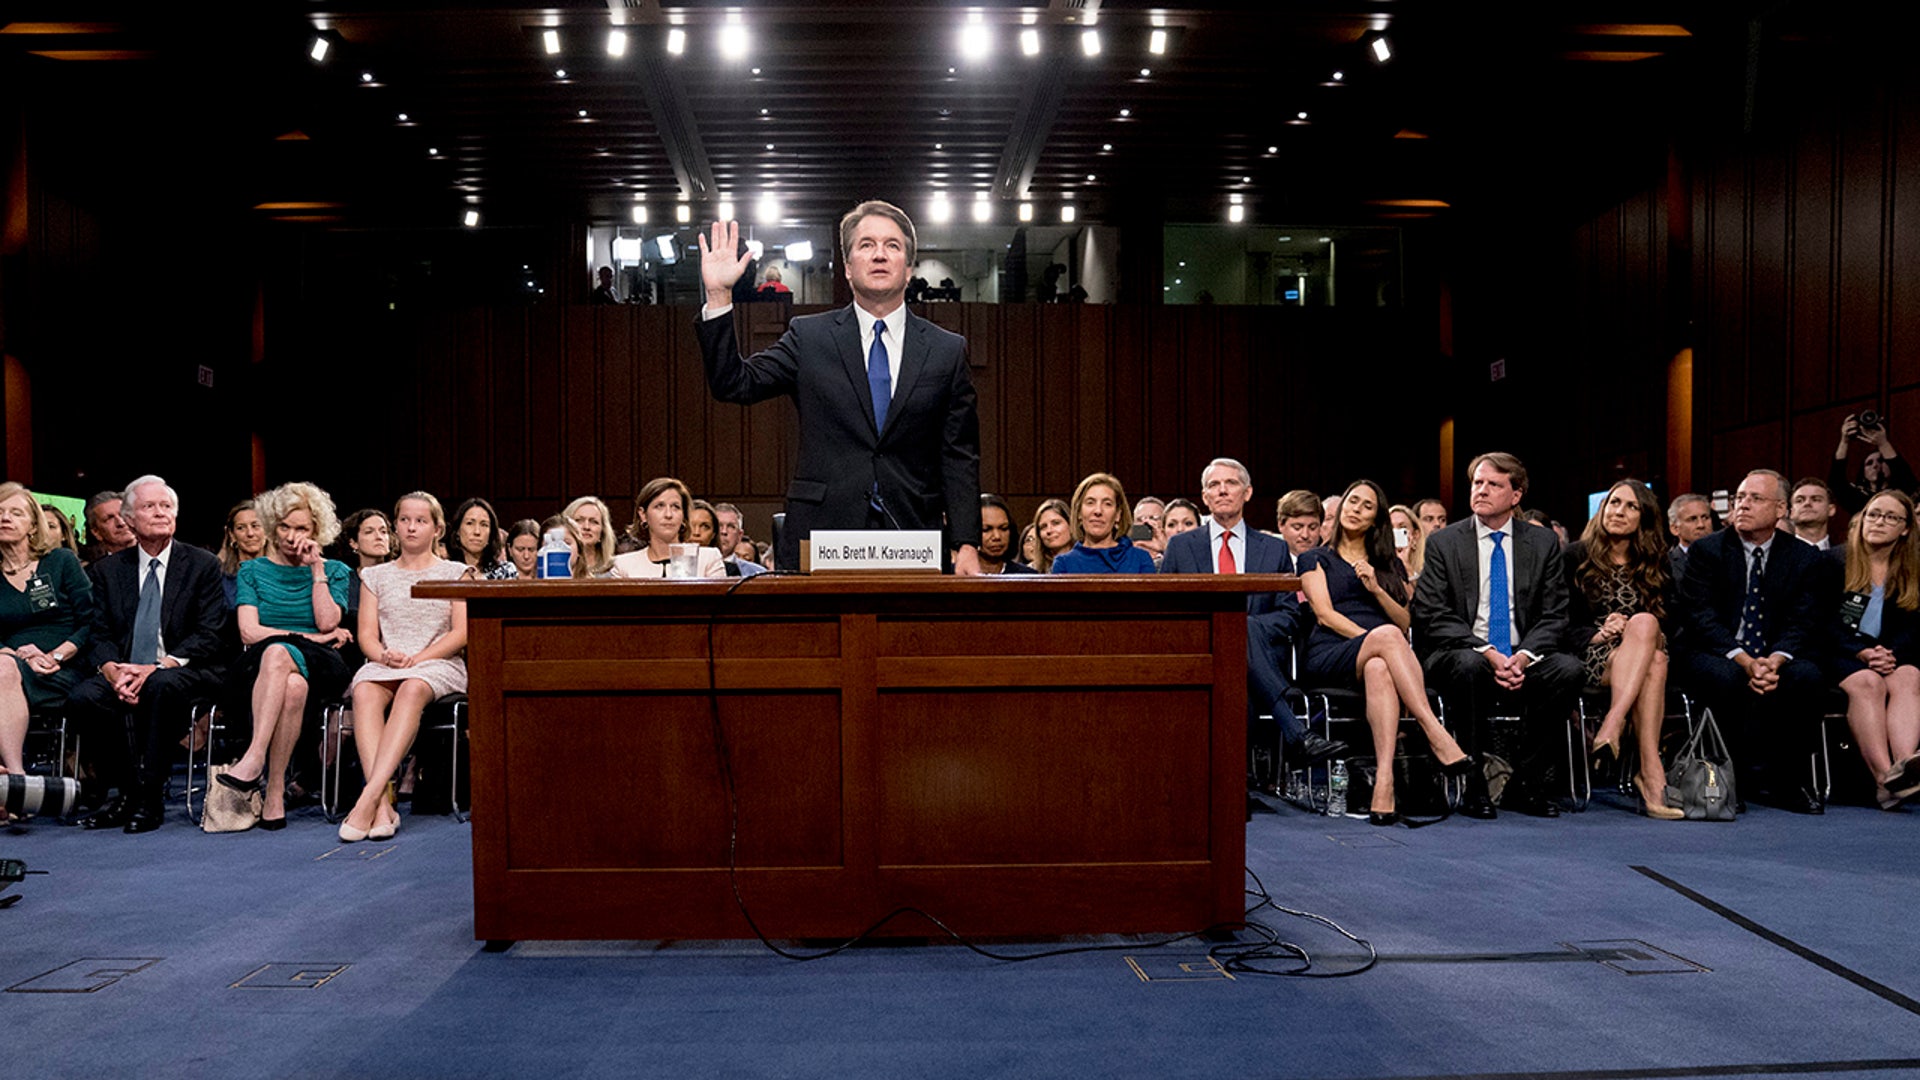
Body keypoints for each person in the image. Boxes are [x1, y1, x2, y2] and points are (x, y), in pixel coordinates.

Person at [697, 205, 982, 574]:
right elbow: (734, 383)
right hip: (822, 534)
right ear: (847, 268)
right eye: (866, 244)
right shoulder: (809, 336)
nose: (879, 253)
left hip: (914, 535)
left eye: (892, 245)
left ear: (908, 268)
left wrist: (966, 543)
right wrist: (719, 296)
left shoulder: (946, 350)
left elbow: (959, 455)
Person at [1412, 452, 1582, 819]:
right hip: (1463, 651)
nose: (1482, 491)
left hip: (1522, 655)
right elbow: (1432, 613)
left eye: (1494, 484)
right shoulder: (1444, 542)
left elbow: (1555, 615)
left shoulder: (1541, 543)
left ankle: (1526, 783)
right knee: (1469, 665)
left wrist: (1522, 657)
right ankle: (1474, 785)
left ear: (1516, 495)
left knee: (1568, 669)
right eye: (1477, 483)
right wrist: (1488, 651)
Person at [1297, 479, 1476, 824]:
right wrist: (1376, 637)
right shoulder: (1314, 557)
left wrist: (1377, 591)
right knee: (1386, 643)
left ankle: (1384, 784)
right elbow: (1324, 614)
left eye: (1367, 506)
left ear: (1375, 520)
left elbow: (1406, 622)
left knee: (1380, 667)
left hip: (1379, 656)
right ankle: (1432, 729)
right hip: (1330, 652)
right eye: (1352, 501)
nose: (1356, 509)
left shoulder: (1387, 563)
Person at [1162, 459, 1345, 776]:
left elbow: (1290, 615)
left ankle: (1230, 789)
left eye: (1230, 483)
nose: (1222, 490)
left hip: (1259, 656)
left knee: (1239, 649)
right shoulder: (1180, 546)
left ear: (1247, 493)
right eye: (1214, 486)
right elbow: (1165, 609)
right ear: (1204, 497)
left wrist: (1242, 630)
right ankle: (1292, 736)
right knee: (1238, 660)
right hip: (1199, 652)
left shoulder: (1273, 549)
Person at [67, 475, 229, 833]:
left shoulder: (201, 564)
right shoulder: (108, 571)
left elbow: (210, 633)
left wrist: (156, 667)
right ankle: (126, 794)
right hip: (124, 670)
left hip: (184, 667)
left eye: (166, 506)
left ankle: (149, 797)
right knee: (84, 697)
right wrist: (112, 670)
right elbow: (100, 632)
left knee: (161, 686)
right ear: (129, 519)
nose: (160, 513)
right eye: (149, 507)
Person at [1674, 469, 1829, 815]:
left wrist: (1774, 660)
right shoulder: (1707, 550)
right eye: (1739, 497)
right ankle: (1731, 781)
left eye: (1755, 498)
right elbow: (1699, 617)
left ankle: (1788, 782)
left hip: (1774, 654)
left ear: (1780, 510)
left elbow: (1803, 620)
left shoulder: (1803, 557)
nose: (1743, 505)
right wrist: (1745, 660)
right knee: (1727, 677)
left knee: (1808, 677)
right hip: (1716, 649)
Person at [216, 482, 355, 830]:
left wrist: (316, 571)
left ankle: (254, 759)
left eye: (302, 528)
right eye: (284, 526)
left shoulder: (335, 571)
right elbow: (249, 632)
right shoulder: (252, 571)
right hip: (262, 663)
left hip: (321, 665)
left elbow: (329, 620)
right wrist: (311, 637)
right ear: (272, 526)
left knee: (281, 654)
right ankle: (275, 789)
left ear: (316, 531)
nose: (292, 536)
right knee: (290, 682)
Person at [339, 492, 471, 843]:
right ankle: (382, 806)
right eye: (404, 520)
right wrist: (383, 656)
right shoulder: (376, 575)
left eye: (421, 521)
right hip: (388, 661)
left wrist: (420, 658)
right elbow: (366, 636)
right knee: (364, 688)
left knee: (412, 686)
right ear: (396, 525)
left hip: (438, 663)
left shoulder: (456, 572)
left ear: (437, 529)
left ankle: (367, 798)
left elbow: (461, 633)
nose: (411, 527)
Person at [1563, 479, 1683, 819]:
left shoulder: (1657, 560)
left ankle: (1613, 724)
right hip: (1594, 655)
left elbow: (1672, 620)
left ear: (1644, 517)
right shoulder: (1574, 556)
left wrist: (1634, 630)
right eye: (1614, 502)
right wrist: (1600, 633)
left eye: (1631, 506)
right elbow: (1559, 622)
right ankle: (1649, 773)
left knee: (1647, 632)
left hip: (1645, 650)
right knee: (1655, 662)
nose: (1619, 511)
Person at [0, 483, 96, 800]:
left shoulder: (61, 562)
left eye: (16, 513)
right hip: (11, 666)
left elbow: (90, 620)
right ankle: (14, 782)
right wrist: (14, 653)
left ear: (32, 524)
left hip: (62, 668)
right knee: (3, 667)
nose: (5, 518)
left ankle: (13, 783)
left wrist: (56, 655)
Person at [1826, 491, 1920, 808]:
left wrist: (1889, 653)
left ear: (1905, 528)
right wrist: (1862, 652)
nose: (1879, 522)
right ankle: (1884, 779)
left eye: (1890, 517)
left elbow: (1914, 625)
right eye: (1874, 514)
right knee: (1868, 683)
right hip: (1839, 654)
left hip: (1890, 655)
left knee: (1909, 675)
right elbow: (1821, 622)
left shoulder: (1912, 569)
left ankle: (1906, 766)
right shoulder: (1833, 562)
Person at [612, 477, 726, 578]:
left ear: (683, 516)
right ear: (643, 515)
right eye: (659, 506)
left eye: (675, 507)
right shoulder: (623, 565)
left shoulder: (708, 558)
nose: (668, 514)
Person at [1049, 472, 1155, 573]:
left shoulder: (1140, 559)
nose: (1098, 511)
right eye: (1090, 503)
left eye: (1107, 504)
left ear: (1118, 514)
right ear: (1079, 513)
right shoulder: (1063, 564)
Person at [1831, 412, 1917, 514]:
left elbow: (1903, 472)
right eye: (1869, 463)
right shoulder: (1857, 497)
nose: (1875, 465)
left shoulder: (1902, 492)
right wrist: (1844, 441)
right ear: (1863, 472)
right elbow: (1836, 481)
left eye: (1881, 461)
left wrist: (1883, 443)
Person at [337, 508, 393, 621]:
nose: (379, 537)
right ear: (354, 543)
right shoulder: (345, 580)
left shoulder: (400, 575)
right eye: (369, 532)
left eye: (384, 531)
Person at [217, 500, 267, 607]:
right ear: (232, 535)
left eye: (255, 526)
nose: (250, 533)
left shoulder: (281, 571)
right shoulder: (221, 579)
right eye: (241, 528)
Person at [979, 494, 1036, 574]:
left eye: (1004, 528)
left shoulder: (1027, 576)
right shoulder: (956, 575)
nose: (997, 536)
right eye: (986, 529)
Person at [450, 497, 508, 577]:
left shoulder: (505, 571)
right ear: (457, 531)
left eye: (484, 525)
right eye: (470, 523)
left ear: (491, 533)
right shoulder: (445, 571)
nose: (477, 532)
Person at [564, 496, 618, 577]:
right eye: (579, 520)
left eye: (594, 522)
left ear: (603, 531)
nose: (586, 527)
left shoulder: (616, 568)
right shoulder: (554, 566)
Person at [80, 489, 135, 564]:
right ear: (96, 532)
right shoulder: (94, 573)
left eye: (123, 514)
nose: (121, 523)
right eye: (109, 519)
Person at [712, 503, 768, 577]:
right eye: (719, 526)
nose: (724, 531)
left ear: (739, 535)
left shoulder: (759, 574)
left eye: (731, 526)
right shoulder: (695, 568)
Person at [1667, 493, 1713, 581]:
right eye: (1692, 519)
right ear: (1675, 529)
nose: (1701, 525)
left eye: (1705, 517)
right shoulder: (1665, 565)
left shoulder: (1727, 558)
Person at [1786, 477, 1837, 550]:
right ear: (1791, 512)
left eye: (1816, 499)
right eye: (1799, 500)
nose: (1807, 503)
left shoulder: (1847, 554)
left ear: (1831, 510)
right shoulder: (1776, 554)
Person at [1028, 498, 1073, 574]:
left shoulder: (1086, 563)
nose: (1049, 531)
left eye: (1056, 523)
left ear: (1071, 525)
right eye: (1043, 527)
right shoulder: (1031, 570)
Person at [1276, 490, 1322, 559]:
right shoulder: (1266, 562)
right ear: (1280, 525)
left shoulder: (1330, 565)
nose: (1305, 535)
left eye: (1312, 528)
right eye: (1297, 528)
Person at [1389, 503, 1425, 582]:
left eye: (1402, 528)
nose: (1395, 533)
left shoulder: (1428, 568)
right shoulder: (1374, 569)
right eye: (1390, 527)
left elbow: (1419, 594)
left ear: (1415, 535)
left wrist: (1406, 565)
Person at [1132, 496, 1167, 563]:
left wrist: (1165, 548)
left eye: (1154, 518)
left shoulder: (1172, 552)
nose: (1147, 522)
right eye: (1140, 519)